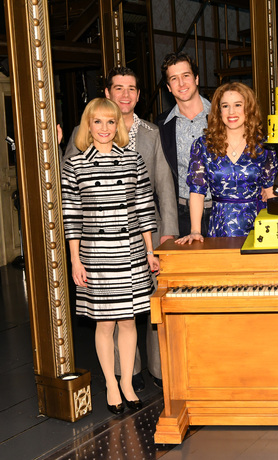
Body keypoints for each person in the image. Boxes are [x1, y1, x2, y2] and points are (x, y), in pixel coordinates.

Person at [64, 67, 178, 390]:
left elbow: (162, 187)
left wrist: (165, 234)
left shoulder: (151, 133)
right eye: (119, 88)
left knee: (147, 307)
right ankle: (126, 377)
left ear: (138, 95)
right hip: (98, 241)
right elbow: (69, 190)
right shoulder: (81, 135)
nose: (125, 94)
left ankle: (156, 369)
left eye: (132, 88)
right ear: (108, 93)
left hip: (142, 233)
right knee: (109, 316)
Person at [61, 98, 160, 414]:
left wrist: (149, 252)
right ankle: (112, 383)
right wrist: (76, 260)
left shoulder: (133, 160)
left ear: (118, 126)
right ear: (87, 126)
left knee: (129, 322)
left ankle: (129, 383)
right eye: (98, 122)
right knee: (104, 324)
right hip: (96, 256)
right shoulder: (74, 165)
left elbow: (145, 209)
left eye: (110, 122)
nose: (104, 128)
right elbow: (71, 216)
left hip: (130, 252)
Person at [176, 82, 278, 242]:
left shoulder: (264, 146)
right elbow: (197, 191)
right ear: (218, 110)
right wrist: (195, 230)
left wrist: (277, 231)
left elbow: (270, 192)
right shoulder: (203, 146)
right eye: (225, 106)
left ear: (249, 108)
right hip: (220, 229)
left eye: (238, 105)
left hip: (258, 230)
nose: (232, 112)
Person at [156, 52, 212, 237]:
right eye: (174, 78)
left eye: (186, 76)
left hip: (222, 211)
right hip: (181, 217)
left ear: (196, 78)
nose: (181, 84)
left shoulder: (223, 115)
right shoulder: (161, 126)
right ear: (168, 87)